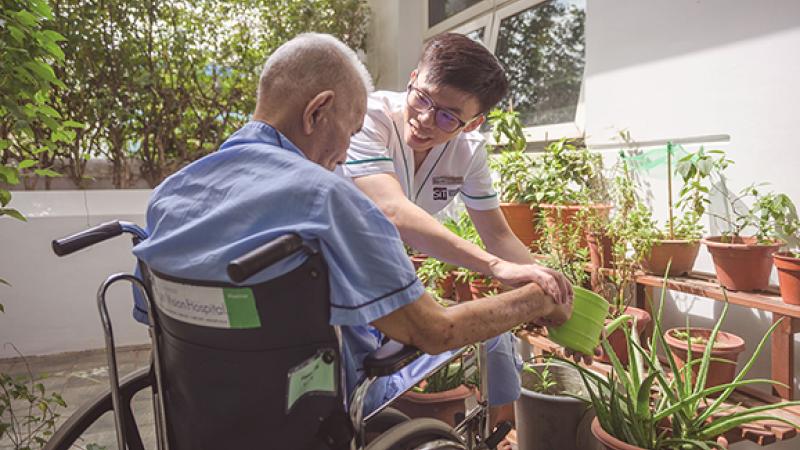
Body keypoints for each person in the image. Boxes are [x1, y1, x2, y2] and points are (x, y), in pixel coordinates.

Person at [131, 33, 572, 421]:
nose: (345, 156)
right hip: (317, 409)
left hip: (202, 413)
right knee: (487, 345)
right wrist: (538, 300)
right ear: (317, 112)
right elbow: (436, 331)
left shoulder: (169, 196)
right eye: (350, 131)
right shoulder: (331, 199)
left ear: (470, 123)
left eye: (447, 117)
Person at [338, 32, 574, 420]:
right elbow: (393, 210)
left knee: (496, 341)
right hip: (336, 273)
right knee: (355, 397)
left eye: (448, 116)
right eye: (422, 98)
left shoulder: (468, 151)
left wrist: (551, 288)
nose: (425, 120)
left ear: (472, 123)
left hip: (384, 274)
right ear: (413, 78)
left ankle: (497, 430)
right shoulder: (368, 118)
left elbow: (498, 235)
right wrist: (496, 267)